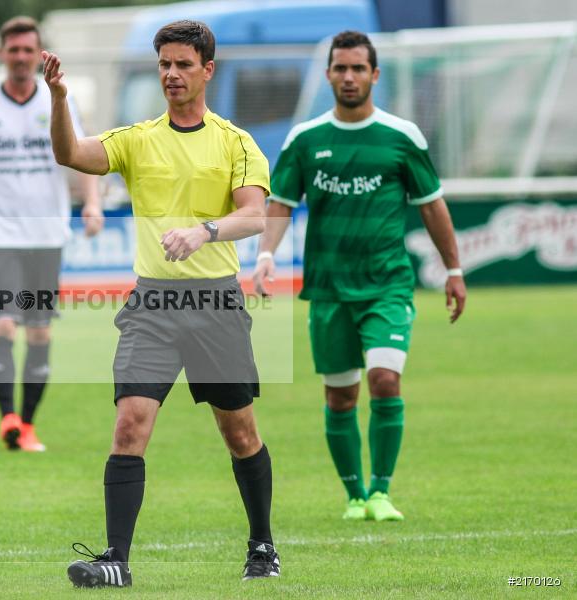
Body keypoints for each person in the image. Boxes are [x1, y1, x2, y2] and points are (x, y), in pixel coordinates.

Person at [43, 20, 280, 586]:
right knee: (130, 423)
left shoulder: (236, 142)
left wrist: (204, 231)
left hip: (217, 303)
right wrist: (59, 99)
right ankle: (116, 562)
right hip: (152, 304)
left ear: (207, 71)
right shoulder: (137, 138)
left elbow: (255, 214)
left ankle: (263, 546)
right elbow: (70, 153)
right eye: (164, 64)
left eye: (183, 64)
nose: (172, 74)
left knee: (240, 432)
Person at [253, 30, 467, 522]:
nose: (349, 77)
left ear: (374, 74)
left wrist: (453, 269)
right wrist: (265, 255)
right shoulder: (305, 140)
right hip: (328, 288)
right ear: (328, 74)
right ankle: (353, 496)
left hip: (387, 283)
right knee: (340, 394)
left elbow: (432, 207)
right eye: (340, 68)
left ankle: (381, 492)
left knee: (385, 380)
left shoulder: (402, 137)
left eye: (358, 69)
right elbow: (281, 203)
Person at [0, 16, 103, 453]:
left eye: (28, 50)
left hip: (47, 235)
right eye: (13, 50)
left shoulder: (59, 101)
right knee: (4, 323)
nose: (20, 57)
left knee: (39, 332)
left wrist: (92, 203)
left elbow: (85, 154)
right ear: (1, 54)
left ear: (39, 54)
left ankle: (26, 425)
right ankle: (7, 417)